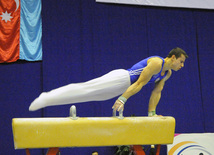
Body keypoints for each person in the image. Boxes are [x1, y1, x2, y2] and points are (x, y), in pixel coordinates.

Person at [29, 47, 188, 117]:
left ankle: (48, 100)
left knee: (85, 95)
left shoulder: (166, 73)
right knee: (85, 89)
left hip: (121, 88)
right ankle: (46, 97)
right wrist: (122, 99)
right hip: (121, 79)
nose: (181, 66)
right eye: (180, 62)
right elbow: (139, 83)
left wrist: (151, 114)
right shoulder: (156, 63)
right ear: (172, 57)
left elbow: (156, 92)